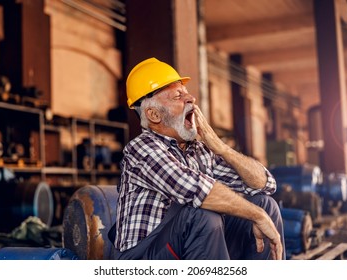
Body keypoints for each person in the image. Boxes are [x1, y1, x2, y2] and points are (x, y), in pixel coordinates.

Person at [113, 57, 285, 260]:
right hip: (141, 259)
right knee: (203, 215)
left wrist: (220, 147)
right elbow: (196, 191)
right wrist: (257, 216)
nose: (191, 99)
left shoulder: (199, 151)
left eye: (186, 93)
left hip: (184, 245)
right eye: (178, 96)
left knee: (265, 204)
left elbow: (265, 184)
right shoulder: (141, 149)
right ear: (154, 115)